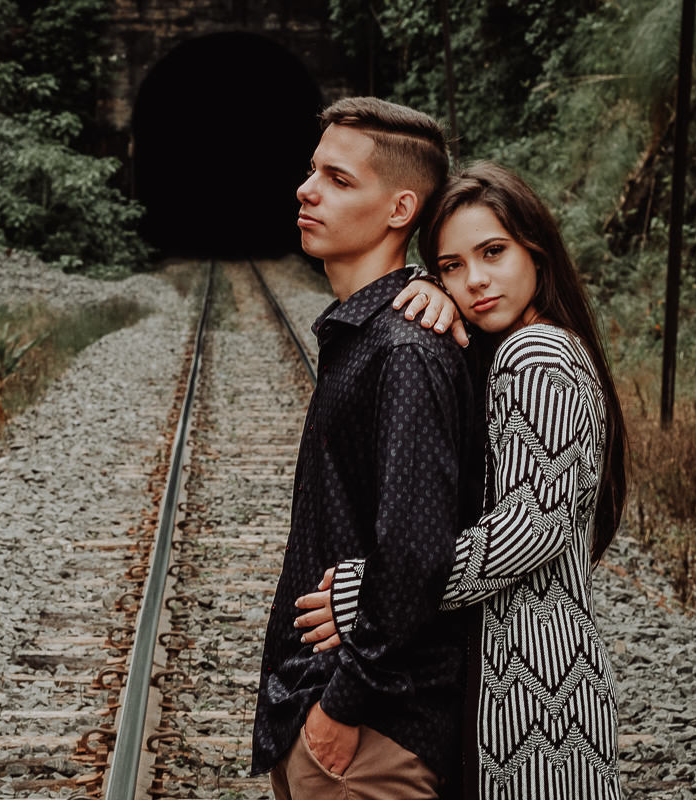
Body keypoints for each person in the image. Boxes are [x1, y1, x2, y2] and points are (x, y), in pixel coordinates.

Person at [296, 161, 627, 799]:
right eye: (452, 265)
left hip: (538, 689)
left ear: (537, 249)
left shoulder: (539, 358)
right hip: (510, 673)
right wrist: (429, 288)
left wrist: (376, 590)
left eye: (494, 253)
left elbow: (530, 528)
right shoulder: (509, 349)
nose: (475, 280)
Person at [251, 96, 485, 800]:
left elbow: (415, 554)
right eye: (312, 171)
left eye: (339, 180)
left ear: (400, 210)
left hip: (368, 736)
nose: (307, 190)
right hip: (334, 718)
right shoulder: (371, 332)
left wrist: (341, 710)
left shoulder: (404, 349)